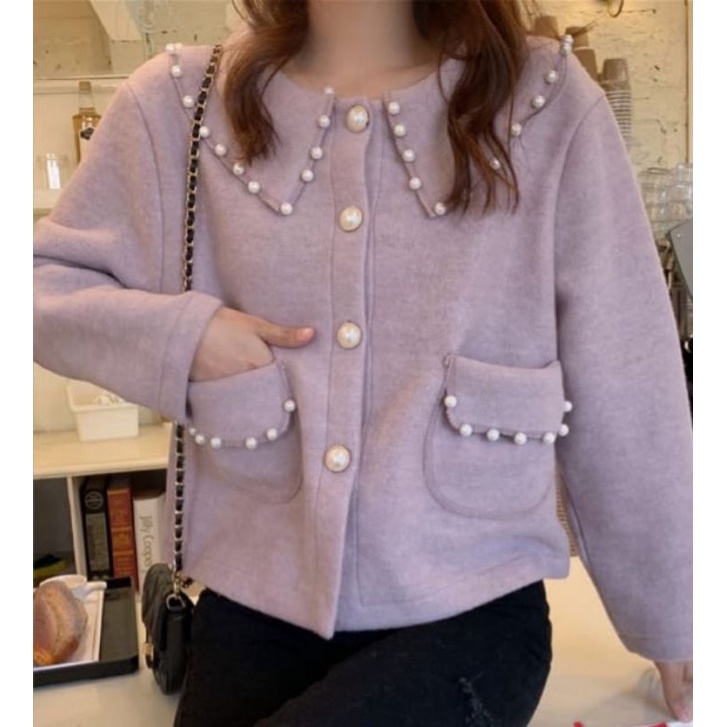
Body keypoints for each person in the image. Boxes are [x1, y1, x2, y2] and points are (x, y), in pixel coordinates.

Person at [33, 1, 693, 725]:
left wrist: (677, 621)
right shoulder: (178, 106)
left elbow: (628, 383)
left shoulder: (546, 105)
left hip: (471, 613)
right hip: (251, 612)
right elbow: (38, 290)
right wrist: (188, 339)